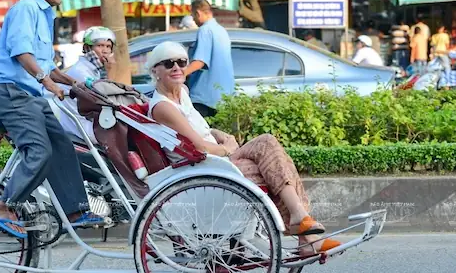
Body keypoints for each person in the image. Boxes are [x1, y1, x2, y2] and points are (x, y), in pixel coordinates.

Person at [144, 41, 341, 256]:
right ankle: (303, 228)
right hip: (201, 167)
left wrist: (218, 134)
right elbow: (198, 146)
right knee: (269, 158)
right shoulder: (163, 106)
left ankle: (302, 223)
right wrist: (227, 148)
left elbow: (196, 128)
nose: (176, 67)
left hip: (212, 160)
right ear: (155, 69)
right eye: (168, 63)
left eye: (181, 62)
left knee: (269, 150)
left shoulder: (182, 91)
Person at [0, 0, 104, 239]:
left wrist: (73, 82)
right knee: (39, 151)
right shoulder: (25, 9)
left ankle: (75, 210)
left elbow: (46, 64)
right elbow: (21, 53)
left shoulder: (46, 14)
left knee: (63, 145)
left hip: (30, 94)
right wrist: (48, 83)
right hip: (10, 91)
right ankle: (5, 205)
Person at [57, 26, 116, 144]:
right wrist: (111, 71)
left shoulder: (93, 70)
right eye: (100, 46)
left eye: (108, 47)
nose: (105, 50)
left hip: (89, 121)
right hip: (82, 126)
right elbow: (106, 99)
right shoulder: (81, 72)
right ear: (87, 48)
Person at [183, 0, 235, 118]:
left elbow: (200, 62)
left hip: (204, 97)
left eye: (193, 16)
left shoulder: (205, 30)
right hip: (223, 96)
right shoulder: (221, 30)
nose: (194, 20)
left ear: (198, 13)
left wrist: (181, 73)